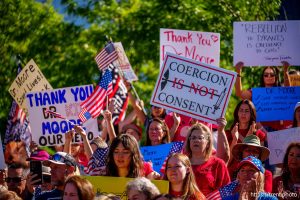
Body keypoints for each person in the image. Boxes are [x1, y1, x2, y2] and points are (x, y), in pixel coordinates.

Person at [235, 62, 292, 132]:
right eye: (266, 75)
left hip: (278, 130)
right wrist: (238, 71)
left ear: (276, 77)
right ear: (263, 77)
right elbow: (239, 93)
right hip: (260, 130)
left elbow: (289, 91)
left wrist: (285, 71)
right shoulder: (256, 93)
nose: (269, 76)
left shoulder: (280, 92)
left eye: (272, 75)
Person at [185, 122, 230, 196]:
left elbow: (226, 193)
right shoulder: (181, 162)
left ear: (208, 143)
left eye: (200, 138)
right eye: (193, 138)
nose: (196, 140)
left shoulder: (218, 164)